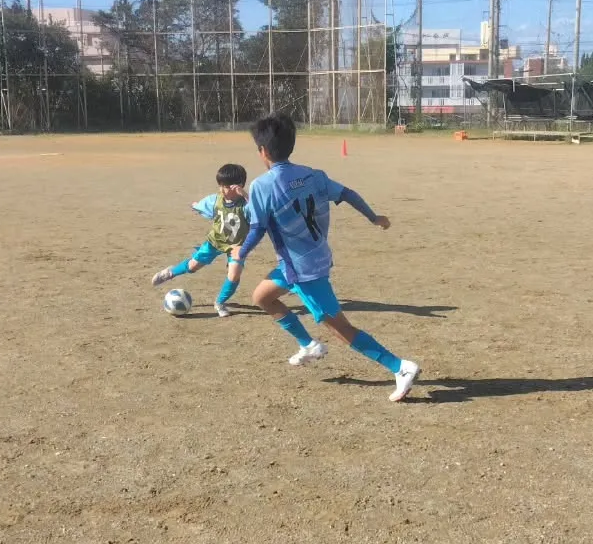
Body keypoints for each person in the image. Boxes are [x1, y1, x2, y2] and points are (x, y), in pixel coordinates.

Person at [238, 113, 420, 402]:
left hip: (304, 271)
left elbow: (258, 227)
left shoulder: (263, 185)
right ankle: (308, 344)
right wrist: (373, 217)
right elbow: (347, 193)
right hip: (304, 261)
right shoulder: (313, 175)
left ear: (262, 151)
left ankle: (399, 367)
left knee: (341, 329)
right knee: (262, 297)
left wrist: (240, 255)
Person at [151, 163, 250, 317]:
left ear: (239, 186)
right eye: (220, 186)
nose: (222, 190)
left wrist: (245, 195)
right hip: (214, 242)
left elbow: (258, 211)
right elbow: (202, 205)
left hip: (236, 247)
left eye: (226, 187)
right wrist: (197, 205)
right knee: (193, 266)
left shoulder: (246, 205)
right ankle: (170, 272)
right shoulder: (215, 200)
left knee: (234, 274)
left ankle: (220, 302)